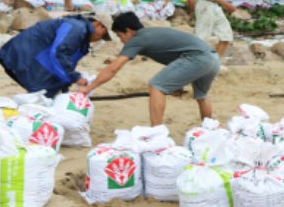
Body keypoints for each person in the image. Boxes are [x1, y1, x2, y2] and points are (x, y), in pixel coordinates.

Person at [80, 12, 219, 126]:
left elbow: (113, 69)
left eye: (120, 36)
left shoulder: (137, 39)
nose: (121, 40)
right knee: (201, 96)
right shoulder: (150, 33)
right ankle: (209, 128)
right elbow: (179, 55)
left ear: (128, 31)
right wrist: (177, 84)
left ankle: (156, 131)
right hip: (212, 58)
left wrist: (89, 88)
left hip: (197, 58)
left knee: (156, 86)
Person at [0, 13, 113, 98]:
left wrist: (66, 83)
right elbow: (58, 53)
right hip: (24, 55)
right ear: (98, 24)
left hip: (33, 58)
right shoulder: (76, 28)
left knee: (47, 94)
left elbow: (63, 61)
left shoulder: (81, 35)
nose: (100, 39)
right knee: (43, 94)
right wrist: (76, 77)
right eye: (102, 35)